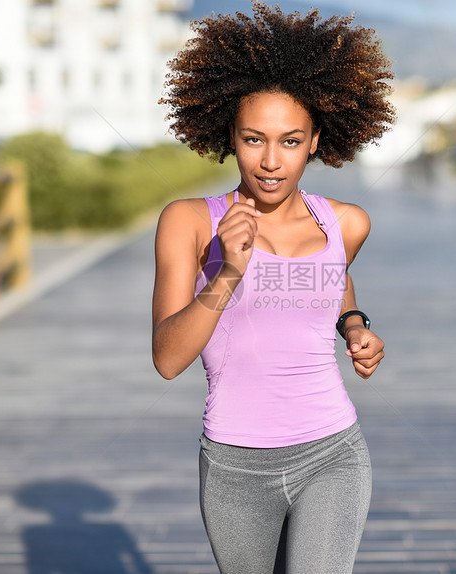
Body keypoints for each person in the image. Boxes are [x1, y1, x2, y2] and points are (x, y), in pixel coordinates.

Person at [153, 3, 394, 572]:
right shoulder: (189, 222)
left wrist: (355, 324)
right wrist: (228, 273)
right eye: (253, 139)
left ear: (315, 141)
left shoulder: (346, 222)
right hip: (235, 465)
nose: (269, 161)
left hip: (333, 450)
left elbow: (333, 278)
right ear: (228, 136)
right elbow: (167, 358)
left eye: (290, 141)